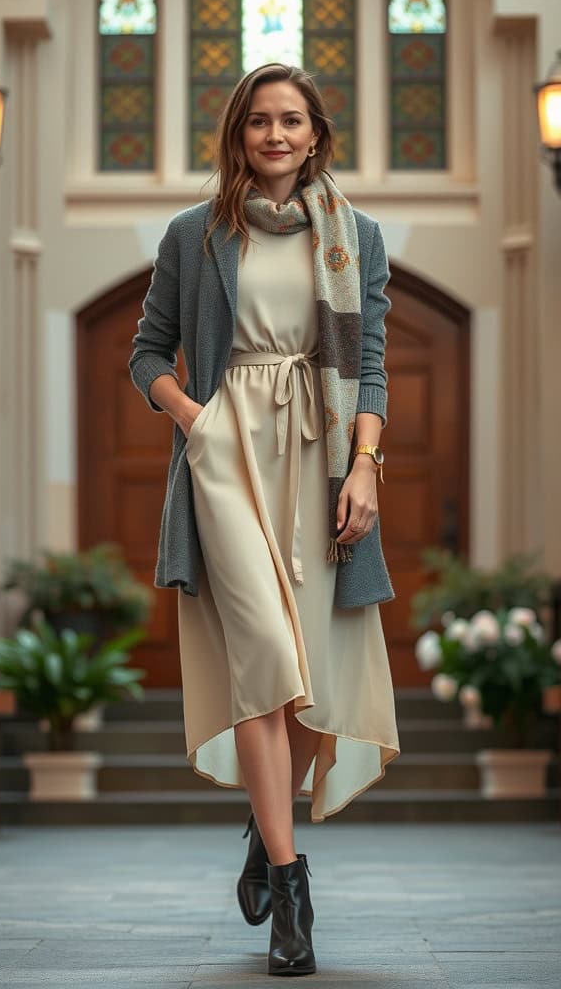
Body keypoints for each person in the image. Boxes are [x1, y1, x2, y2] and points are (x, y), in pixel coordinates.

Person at [129, 62, 400, 978]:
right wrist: (194, 419)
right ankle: (290, 885)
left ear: (317, 134)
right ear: (238, 137)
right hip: (225, 456)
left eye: (291, 121)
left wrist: (365, 465)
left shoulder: (355, 235)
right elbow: (146, 352)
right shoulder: (194, 234)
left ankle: (264, 818)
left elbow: (369, 362)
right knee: (264, 660)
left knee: (313, 675)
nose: (275, 136)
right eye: (258, 123)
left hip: (323, 455)